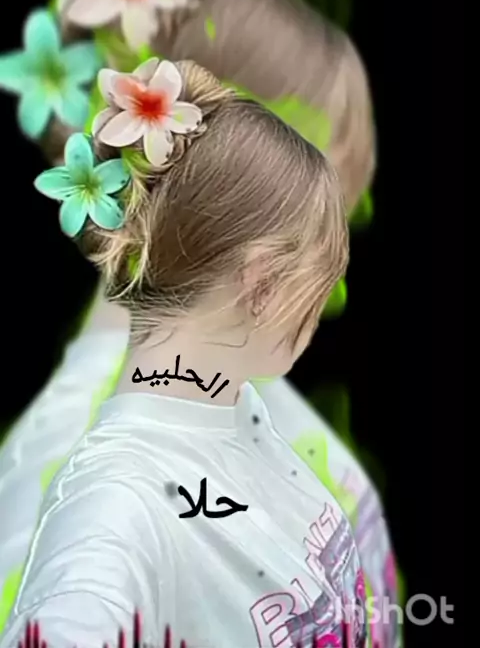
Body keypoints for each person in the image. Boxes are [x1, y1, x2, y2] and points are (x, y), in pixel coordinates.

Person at [1, 57, 366, 647]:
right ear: (261, 283)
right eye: (318, 282)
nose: (322, 308)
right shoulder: (115, 505)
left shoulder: (230, 409)